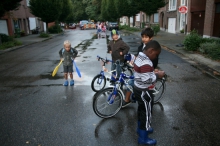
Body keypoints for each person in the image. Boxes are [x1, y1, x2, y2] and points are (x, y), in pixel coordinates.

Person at [134, 40, 165, 145]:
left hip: (138, 89)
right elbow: (146, 80)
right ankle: (143, 138)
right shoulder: (146, 62)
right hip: (145, 92)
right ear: (151, 51)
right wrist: (157, 75)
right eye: (156, 55)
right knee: (146, 113)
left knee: (141, 110)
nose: (156, 57)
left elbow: (144, 73)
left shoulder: (140, 57)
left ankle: (140, 128)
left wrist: (152, 72)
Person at [122, 27, 155, 107]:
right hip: (139, 70)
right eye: (143, 37)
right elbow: (138, 57)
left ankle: (129, 100)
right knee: (131, 82)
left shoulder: (152, 49)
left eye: (146, 37)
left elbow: (153, 61)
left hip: (146, 70)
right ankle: (128, 99)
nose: (144, 39)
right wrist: (133, 61)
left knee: (134, 84)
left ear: (151, 38)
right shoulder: (141, 47)